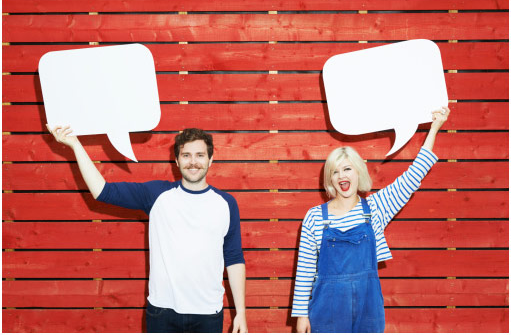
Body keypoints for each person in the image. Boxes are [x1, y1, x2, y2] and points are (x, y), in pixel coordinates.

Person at [47, 126, 248, 333]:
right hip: (162, 312)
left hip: (208, 314)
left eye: (200, 155)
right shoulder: (156, 195)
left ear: (210, 160)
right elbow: (102, 191)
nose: (193, 162)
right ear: (177, 161)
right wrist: (75, 145)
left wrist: (240, 312)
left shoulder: (226, 204)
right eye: (186, 155)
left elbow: (234, 259)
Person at [291, 106, 450, 333]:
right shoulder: (314, 217)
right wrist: (301, 316)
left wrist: (434, 128)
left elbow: (414, 175)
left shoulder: (376, 208)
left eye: (347, 169)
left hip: (368, 309)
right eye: (335, 172)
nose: (342, 176)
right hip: (326, 312)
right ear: (330, 179)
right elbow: (305, 270)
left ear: (358, 173)